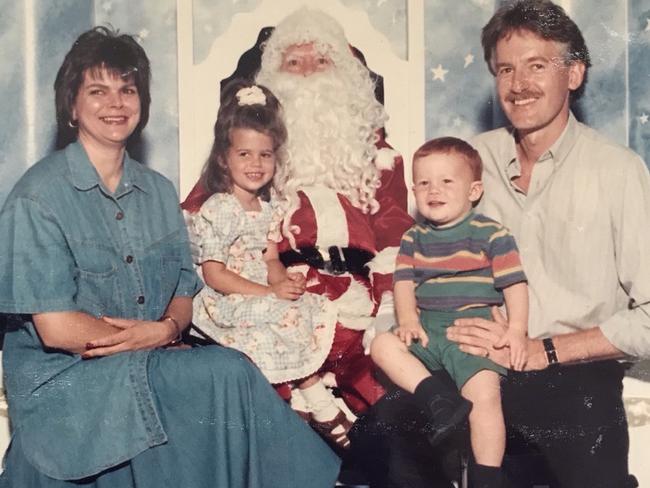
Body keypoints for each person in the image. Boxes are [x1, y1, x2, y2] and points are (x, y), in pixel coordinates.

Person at [0, 26, 340, 487]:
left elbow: (184, 288)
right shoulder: (36, 198)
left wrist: (165, 329)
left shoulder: (159, 192)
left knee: (223, 372)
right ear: (72, 106)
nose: (116, 103)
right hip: (67, 383)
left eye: (128, 89)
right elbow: (57, 330)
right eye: (97, 91)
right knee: (224, 371)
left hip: (145, 357)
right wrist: (151, 340)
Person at [353, 1, 650, 487]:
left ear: (573, 74)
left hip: (571, 375)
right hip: (466, 360)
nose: (519, 84)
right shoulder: (470, 162)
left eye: (538, 65)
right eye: (506, 69)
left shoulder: (617, 171)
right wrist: (403, 328)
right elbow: (417, 259)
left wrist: (544, 350)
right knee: (389, 429)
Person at [183, 7, 414, 417]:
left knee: (388, 410)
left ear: (346, 76)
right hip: (282, 296)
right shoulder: (252, 162)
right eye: (292, 62)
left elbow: (396, 239)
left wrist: (390, 312)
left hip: (359, 306)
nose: (307, 72)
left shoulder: (379, 159)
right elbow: (193, 223)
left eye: (321, 60)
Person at [190, 79, 354, 449]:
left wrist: (282, 284)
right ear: (223, 158)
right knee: (277, 314)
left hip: (258, 287)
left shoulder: (267, 209)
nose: (255, 164)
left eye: (265, 154)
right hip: (227, 295)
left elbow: (270, 258)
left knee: (305, 305)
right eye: (244, 154)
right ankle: (320, 403)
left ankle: (302, 399)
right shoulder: (219, 208)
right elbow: (215, 274)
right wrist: (267, 292)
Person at [370, 137, 528, 487]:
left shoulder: (491, 234)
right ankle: (436, 398)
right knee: (381, 346)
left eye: (446, 181)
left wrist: (516, 329)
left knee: (485, 398)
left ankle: (488, 478)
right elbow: (403, 283)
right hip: (427, 327)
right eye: (423, 182)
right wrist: (408, 320)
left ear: (474, 191)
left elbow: (515, 284)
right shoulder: (413, 238)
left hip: (471, 331)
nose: (433, 190)